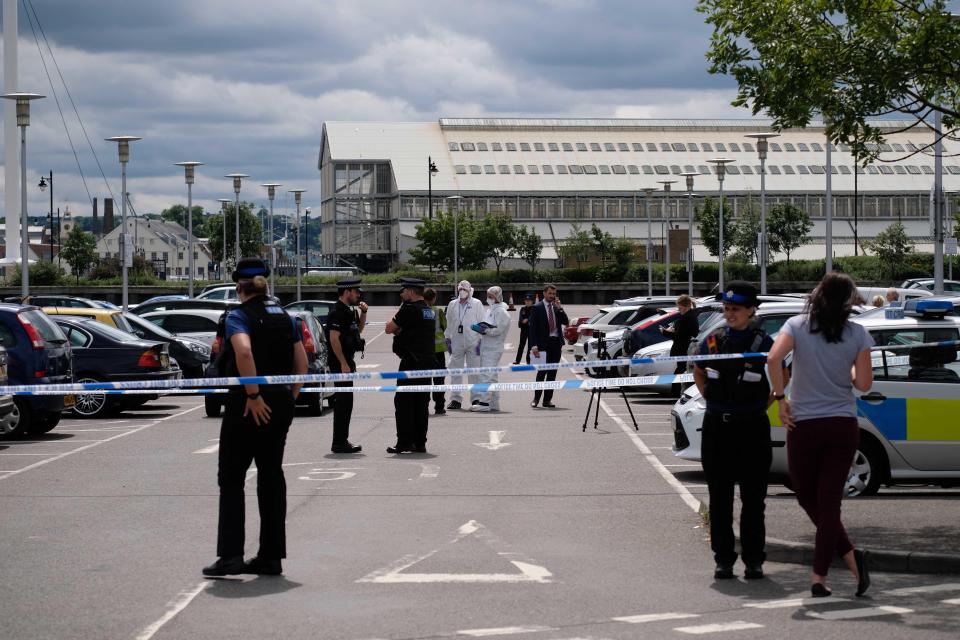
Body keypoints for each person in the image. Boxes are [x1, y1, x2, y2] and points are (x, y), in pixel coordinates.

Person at [767, 272, 874, 598]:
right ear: (848, 301)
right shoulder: (858, 333)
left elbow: (773, 359)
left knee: (805, 493)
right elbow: (864, 385)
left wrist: (780, 398)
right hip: (842, 424)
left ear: (817, 294)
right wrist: (850, 368)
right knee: (828, 503)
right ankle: (849, 559)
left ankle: (819, 577)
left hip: (804, 423)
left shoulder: (796, 325)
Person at [203, 257, 308, 578]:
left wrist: (253, 395)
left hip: (247, 406)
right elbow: (301, 361)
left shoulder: (238, 316)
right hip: (281, 404)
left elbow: (244, 352)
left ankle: (232, 556)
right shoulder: (286, 316)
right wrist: (289, 397)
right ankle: (271, 557)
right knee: (271, 476)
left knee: (232, 479)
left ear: (239, 287)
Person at [693, 281, 783, 581]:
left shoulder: (764, 344)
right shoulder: (714, 341)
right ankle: (723, 559)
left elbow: (781, 374)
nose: (729, 314)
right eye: (726, 309)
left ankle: (754, 560)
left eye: (735, 310)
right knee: (719, 498)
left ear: (750, 310)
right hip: (718, 428)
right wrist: (713, 400)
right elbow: (699, 370)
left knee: (754, 500)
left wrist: (763, 403)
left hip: (752, 428)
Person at [385, 278, 436, 454]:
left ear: (412, 292)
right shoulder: (428, 311)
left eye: (404, 290)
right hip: (426, 364)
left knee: (404, 403)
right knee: (421, 404)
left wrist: (398, 325)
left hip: (410, 364)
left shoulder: (408, 309)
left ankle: (404, 442)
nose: (401, 294)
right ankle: (420, 443)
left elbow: (389, 328)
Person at [325, 278, 368, 454]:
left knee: (346, 403)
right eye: (356, 291)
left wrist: (363, 313)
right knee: (343, 403)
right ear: (347, 292)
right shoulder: (336, 312)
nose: (358, 294)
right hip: (339, 363)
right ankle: (339, 443)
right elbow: (333, 339)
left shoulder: (349, 311)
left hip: (347, 361)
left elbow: (358, 331)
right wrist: (342, 363)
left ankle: (342, 440)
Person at [444, 280, 484, 410]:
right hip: (457, 342)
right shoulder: (452, 304)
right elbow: (448, 322)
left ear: (469, 291)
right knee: (456, 372)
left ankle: (476, 399)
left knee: (474, 372)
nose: (462, 292)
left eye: (465, 290)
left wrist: (481, 342)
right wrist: (447, 339)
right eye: (460, 289)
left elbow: (482, 323)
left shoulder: (476, 303)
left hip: (474, 342)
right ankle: (455, 399)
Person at [471, 286, 512, 412]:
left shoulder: (502, 312)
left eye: (491, 296)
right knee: (492, 376)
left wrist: (485, 330)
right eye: (487, 296)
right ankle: (494, 403)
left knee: (486, 375)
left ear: (498, 297)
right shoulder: (490, 310)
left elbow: (497, 330)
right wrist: (480, 329)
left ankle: (484, 403)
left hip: (494, 348)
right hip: (486, 346)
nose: (488, 299)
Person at [528, 284, 568, 409]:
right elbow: (532, 328)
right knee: (541, 373)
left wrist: (560, 308)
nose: (552, 296)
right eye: (550, 293)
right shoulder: (537, 307)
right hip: (542, 345)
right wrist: (533, 345)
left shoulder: (556, 307)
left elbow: (566, 322)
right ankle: (536, 399)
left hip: (556, 343)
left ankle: (547, 400)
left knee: (552, 373)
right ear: (544, 293)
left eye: (554, 294)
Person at [660, 294, 699, 397]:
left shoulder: (687, 318)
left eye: (680, 307)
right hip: (683, 348)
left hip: (683, 348)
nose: (679, 309)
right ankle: (677, 392)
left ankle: (676, 392)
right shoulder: (688, 316)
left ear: (685, 306)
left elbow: (679, 336)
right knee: (681, 369)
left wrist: (665, 332)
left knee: (680, 370)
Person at [424, 288, 448, 415]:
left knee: (425, 379)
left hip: (425, 351)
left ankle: (424, 406)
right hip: (438, 350)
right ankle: (439, 407)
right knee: (439, 380)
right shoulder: (438, 311)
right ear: (434, 298)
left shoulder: (421, 311)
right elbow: (445, 326)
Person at [513, 293, 534, 364]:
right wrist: (522, 320)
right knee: (521, 345)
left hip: (531, 330)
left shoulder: (534, 309)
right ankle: (517, 360)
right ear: (524, 301)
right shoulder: (523, 309)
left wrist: (527, 319)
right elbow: (520, 317)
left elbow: (533, 317)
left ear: (532, 301)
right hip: (524, 329)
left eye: (529, 300)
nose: (528, 302)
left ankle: (529, 360)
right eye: (526, 300)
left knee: (530, 346)